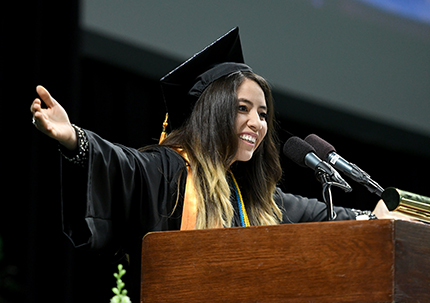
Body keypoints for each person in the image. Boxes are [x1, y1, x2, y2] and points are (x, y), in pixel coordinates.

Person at [30, 27, 397, 301]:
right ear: (212, 113)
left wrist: (376, 218)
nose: (258, 123)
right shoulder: (169, 170)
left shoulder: (255, 199)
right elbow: (123, 164)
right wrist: (74, 139)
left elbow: (318, 216)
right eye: (243, 109)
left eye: (263, 113)